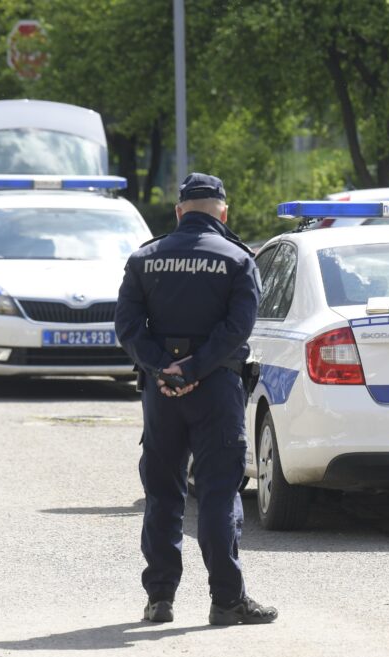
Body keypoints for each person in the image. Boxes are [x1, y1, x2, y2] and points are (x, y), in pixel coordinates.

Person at [115, 172, 278, 626]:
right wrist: (195, 368)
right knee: (217, 493)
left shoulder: (145, 258)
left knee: (163, 493)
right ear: (224, 212)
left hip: (161, 392)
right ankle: (227, 601)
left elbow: (128, 326)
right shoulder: (239, 259)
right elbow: (236, 330)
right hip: (216, 390)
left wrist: (162, 368)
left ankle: (159, 599)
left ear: (180, 211)